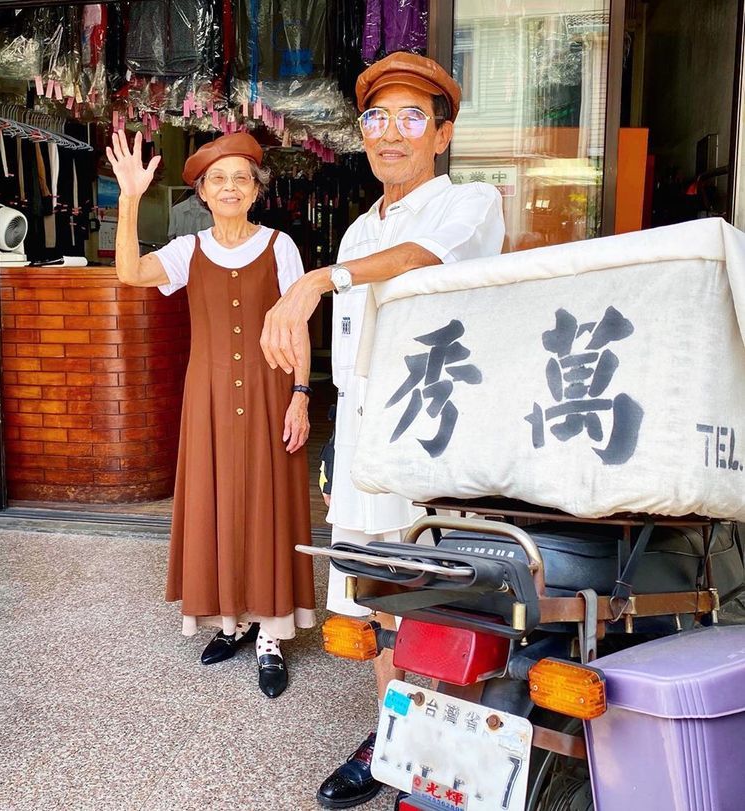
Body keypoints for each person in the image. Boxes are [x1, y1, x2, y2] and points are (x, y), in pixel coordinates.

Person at [260, 52, 506, 806]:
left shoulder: (469, 202)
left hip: (440, 435)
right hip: (367, 436)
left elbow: (422, 261)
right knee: (377, 596)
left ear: (442, 133)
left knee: (445, 593)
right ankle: (392, 734)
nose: (389, 134)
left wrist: (317, 278)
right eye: (375, 119)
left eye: (409, 118)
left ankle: (450, 743)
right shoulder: (362, 224)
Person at [107, 130, 316, 699]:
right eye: (217, 179)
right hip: (209, 399)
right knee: (219, 501)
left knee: (267, 502)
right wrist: (129, 198)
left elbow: (297, 324)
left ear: (255, 190)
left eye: (240, 178)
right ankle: (234, 620)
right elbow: (128, 272)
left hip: (273, 392)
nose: (229, 187)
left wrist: (301, 393)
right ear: (201, 191)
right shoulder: (187, 251)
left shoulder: (281, 246)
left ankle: (271, 635)